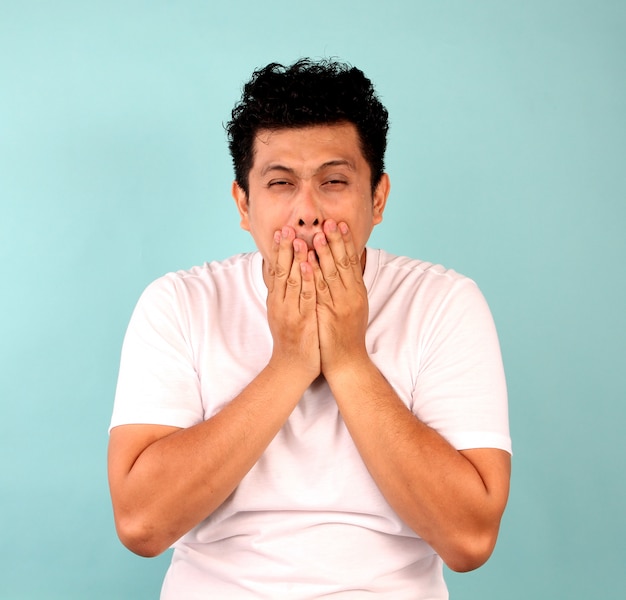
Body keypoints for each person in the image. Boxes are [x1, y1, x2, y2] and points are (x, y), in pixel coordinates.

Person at [108, 58, 511, 599]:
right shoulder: (179, 303)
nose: (307, 212)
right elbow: (141, 524)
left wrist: (347, 358)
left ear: (378, 199)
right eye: (280, 183)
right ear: (244, 205)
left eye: (334, 181)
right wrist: (291, 362)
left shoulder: (443, 303)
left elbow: (470, 539)